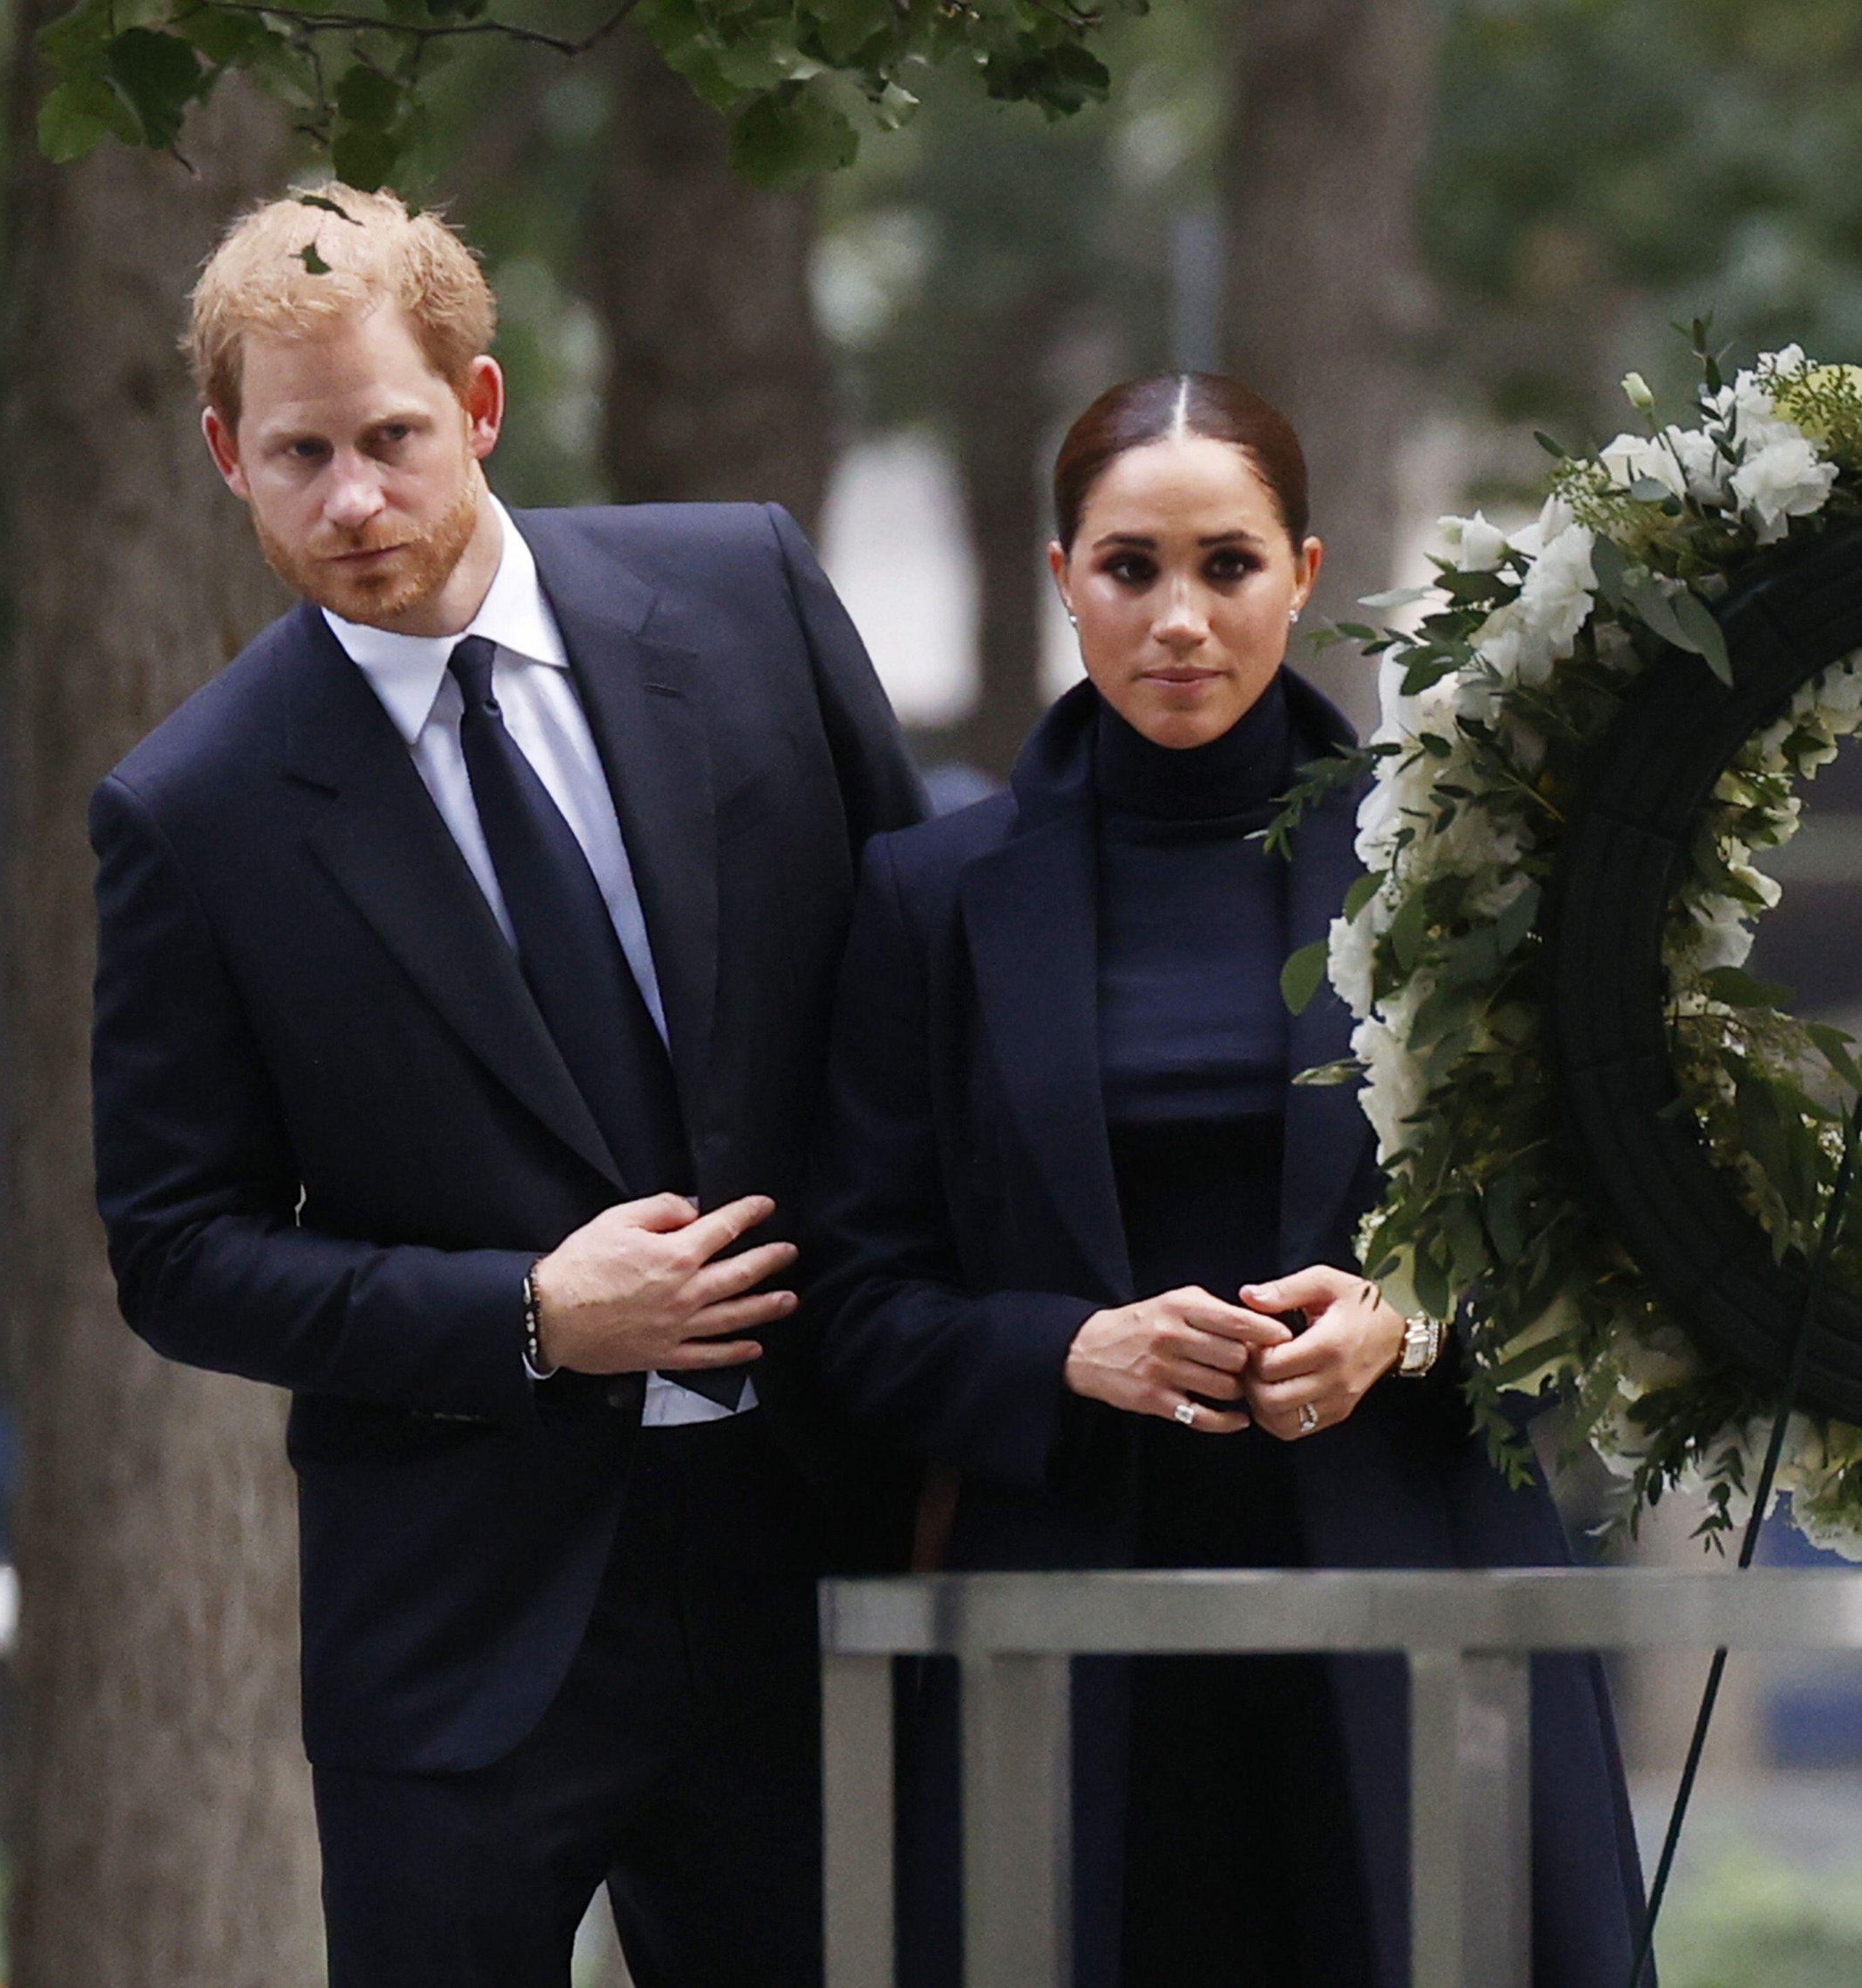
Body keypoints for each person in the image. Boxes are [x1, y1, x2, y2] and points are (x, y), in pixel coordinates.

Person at [88, 185, 926, 1986]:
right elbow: (175, 1247)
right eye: (299, 455)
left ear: (478, 404)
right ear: (231, 457)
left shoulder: (750, 589)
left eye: (392, 437)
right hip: (462, 1627)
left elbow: (923, 994)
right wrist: (532, 1314)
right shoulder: (194, 809)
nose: (356, 500)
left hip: (814, 1546)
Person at [802, 371, 1650, 1986]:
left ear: (1306, 574)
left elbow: (1586, 1230)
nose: (1178, 618)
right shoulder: (926, 897)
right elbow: (851, 1301)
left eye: (1228, 565)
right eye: (1131, 568)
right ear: (1062, 582)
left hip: (1418, 1575)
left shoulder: (1457, 875)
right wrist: (1062, 1347)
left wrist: (1406, 1316)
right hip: (1064, 1619)